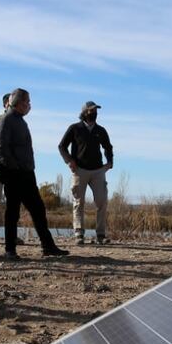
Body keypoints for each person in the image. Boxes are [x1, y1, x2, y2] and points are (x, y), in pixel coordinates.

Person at [0, 88, 69, 259]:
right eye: (27, 102)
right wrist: (14, 167)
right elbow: (0, 147)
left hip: (27, 173)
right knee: (12, 212)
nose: (29, 105)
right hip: (14, 174)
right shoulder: (7, 119)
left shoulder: (19, 120)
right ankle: (10, 250)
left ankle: (48, 246)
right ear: (19, 103)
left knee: (38, 209)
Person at [58, 101, 114, 245]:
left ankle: (101, 235)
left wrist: (109, 162)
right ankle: (79, 234)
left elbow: (108, 147)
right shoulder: (74, 128)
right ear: (84, 112)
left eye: (96, 111)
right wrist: (69, 160)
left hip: (98, 171)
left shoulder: (101, 130)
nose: (94, 113)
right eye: (91, 111)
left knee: (102, 201)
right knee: (78, 202)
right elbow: (62, 146)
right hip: (79, 170)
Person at [0, 92, 23, 245]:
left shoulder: (19, 123)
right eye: (11, 101)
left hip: (16, 169)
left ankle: (11, 236)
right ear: (5, 104)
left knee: (13, 203)